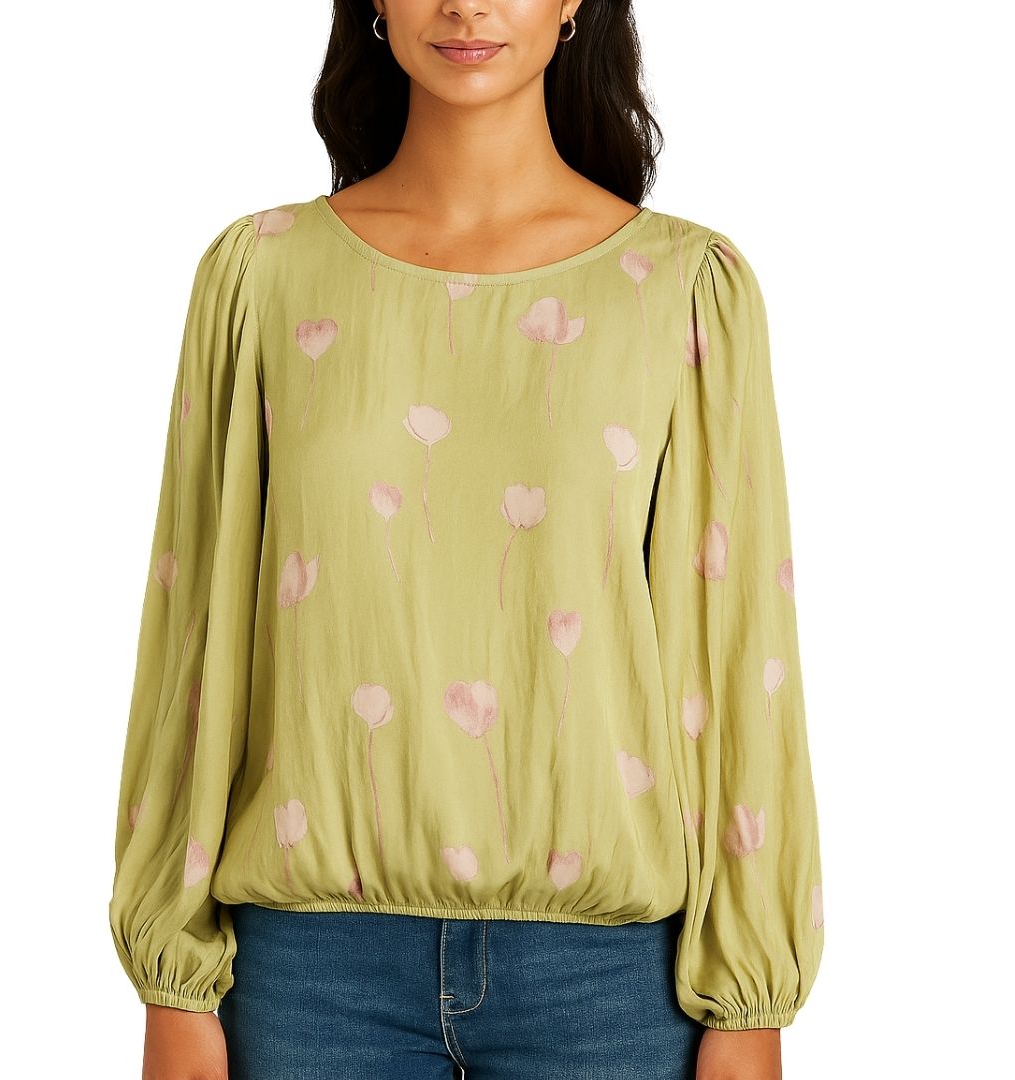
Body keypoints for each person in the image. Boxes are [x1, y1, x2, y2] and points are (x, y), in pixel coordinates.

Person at [108, 2, 825, 1077]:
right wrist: (172, 978)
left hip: (610, 986)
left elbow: (735, 652)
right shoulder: (261, 275)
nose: (466, 4)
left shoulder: (685, 288)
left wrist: (750, 998)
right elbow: (196, 632)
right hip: (309, 977)